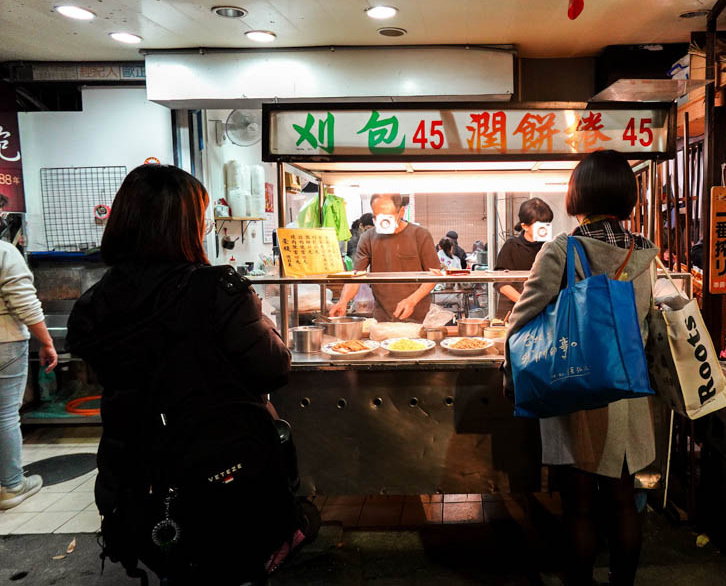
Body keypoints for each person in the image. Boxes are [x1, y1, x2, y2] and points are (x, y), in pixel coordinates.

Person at [67, 164, 302, 584]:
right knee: (227, 565)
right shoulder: (215, 289)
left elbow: (106, 376)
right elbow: (273, 367)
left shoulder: (94, 303)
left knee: (172, 564)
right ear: (186, 225)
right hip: (220, 470)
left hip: (136, 474)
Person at [505, 150, 656, 586]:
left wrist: (507, 369)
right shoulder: (643, 254)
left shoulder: (562, 250)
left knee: (580, 506)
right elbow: (646, 320)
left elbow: (522, 319)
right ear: (627, 196)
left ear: (578, 195)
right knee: (623, 499)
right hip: (627, 387)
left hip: (575, 389)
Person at [0, 242, 58, 511]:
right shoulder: (3, 252)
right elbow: (23, 301)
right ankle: (11, 486)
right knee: (4, 415)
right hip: (5, 341)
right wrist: (46, 341)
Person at [329, 194, 441, 322]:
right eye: (377, 217)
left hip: (418, 316)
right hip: (383, 317)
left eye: (388, 216)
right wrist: (343, 301)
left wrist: (412, 300)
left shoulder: (420, 235)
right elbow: (356, 277)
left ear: (401, 212)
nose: (383, 221)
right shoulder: (367, 238)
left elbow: (433, 276)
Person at [494, 197, 554, 320]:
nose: (544, 228)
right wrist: (525, 302)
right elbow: (500, 282)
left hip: (543, 311)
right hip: (512, 312)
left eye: (547, 224)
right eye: (539, 225)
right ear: (525, 226)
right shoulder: (511, 246)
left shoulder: (550, 247)